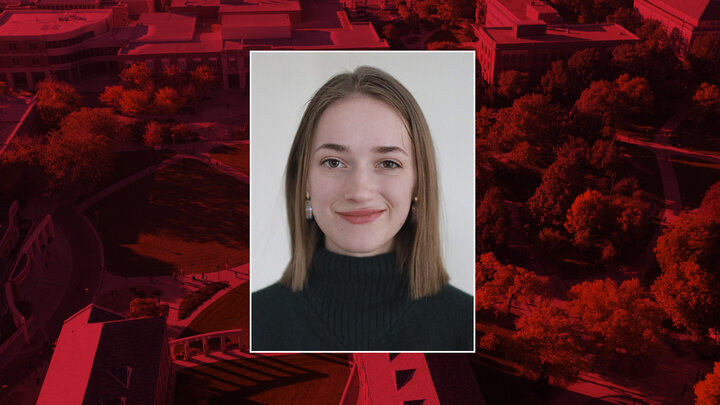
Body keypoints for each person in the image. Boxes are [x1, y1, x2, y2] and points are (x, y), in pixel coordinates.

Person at [251, 66, 473, 351]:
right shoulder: (255, 322)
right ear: (304, 180)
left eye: (388, 163)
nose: (358, 192)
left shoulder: (467, 325)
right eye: (333, 162)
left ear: (418, 184)